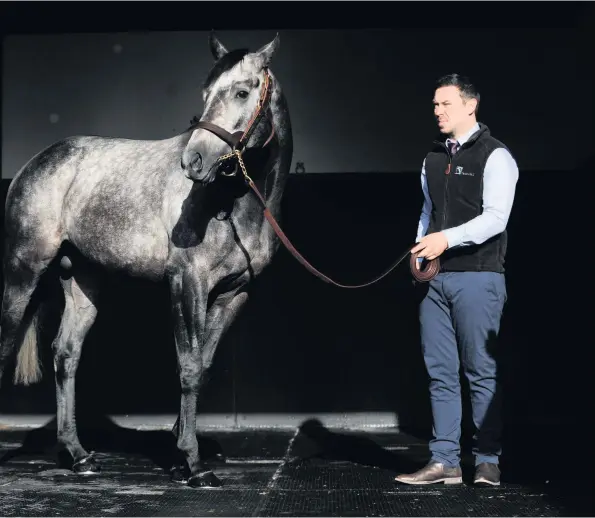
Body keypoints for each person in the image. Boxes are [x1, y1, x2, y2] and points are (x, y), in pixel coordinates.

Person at [394, 74, 519, 486]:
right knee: (440, 372)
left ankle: (486, 460)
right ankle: (444, 461)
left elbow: (495, 219)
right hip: (437, 283)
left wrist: (444, 240)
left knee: (481, 371)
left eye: (445, 104)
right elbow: (426, 213)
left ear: (471, 106)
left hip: (479, 277)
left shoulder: (496, 155)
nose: (437, 112)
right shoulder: (432, 157)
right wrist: (419, 248)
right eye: (434, 105)